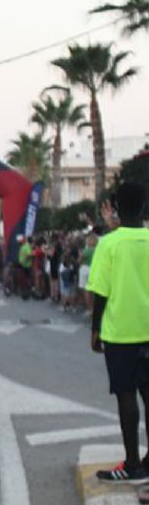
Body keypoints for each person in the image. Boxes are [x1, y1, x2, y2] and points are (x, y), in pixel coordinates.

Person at [88, 182, 149, 486]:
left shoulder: (109, 244)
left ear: (115, 207)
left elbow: (100, 293)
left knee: (126, 396)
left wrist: (95, 329)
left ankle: (132, 464)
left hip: (121, 333)